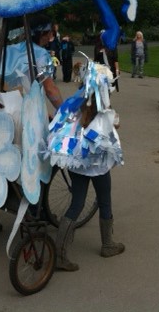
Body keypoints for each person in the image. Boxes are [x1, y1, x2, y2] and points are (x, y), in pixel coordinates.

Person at [0, 16, 64, 232]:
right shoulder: (41, 56)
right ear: (43, 33)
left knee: (3, 160)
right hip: (25, 117)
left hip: (3, 110)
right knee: (37, 161)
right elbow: (49, 90)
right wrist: (64, 110)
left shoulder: (13, 49)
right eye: (50, 33)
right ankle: (34, 211)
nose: (52, 38)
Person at [47, 61, 124, 271]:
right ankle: (107, 244)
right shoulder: (101, 109)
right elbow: (112, 128)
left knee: (77, 204)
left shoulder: (77, 104)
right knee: (105, 200)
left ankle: (60, 253)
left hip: (77, 163)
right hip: (97, 165)